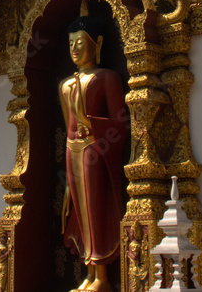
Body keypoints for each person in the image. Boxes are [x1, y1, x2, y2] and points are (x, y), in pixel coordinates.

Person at [58, 15, 127, 292]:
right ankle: (88, 273)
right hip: (72, 151)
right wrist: (65, 185)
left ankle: (102, 275)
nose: (74, 48)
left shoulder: (107, 78)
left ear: (96, 43)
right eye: (71, 42)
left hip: (95, 149)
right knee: (80, 209)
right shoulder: (65, 85)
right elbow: (67, 128)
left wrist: (89, 122)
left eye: (80, 42)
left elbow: (120, 123)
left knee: (96, 209)